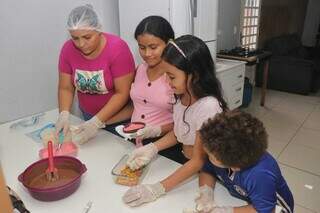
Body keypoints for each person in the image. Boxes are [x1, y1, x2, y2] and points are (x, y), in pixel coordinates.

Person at [122, 35, 228, 207]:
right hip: (184, 163)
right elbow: (181, 133)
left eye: (171, 77)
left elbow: (199, 160)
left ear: (194, 76)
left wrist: (157, 189)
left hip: (203, 171)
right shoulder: (181, 95)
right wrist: (153, 147)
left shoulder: (208, 107)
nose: (166, 81)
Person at [55, 4, 135, 144]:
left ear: (98, 30)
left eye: (87, 37)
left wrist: (97, 122)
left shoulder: (117, 49)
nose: (81, 44)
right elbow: (66, 88)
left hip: (118, 119)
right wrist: (64, 114)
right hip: (88, 115)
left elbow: (122, 93)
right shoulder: (68, 50)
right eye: (75, 38)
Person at [195, 111, 294, 213]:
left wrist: (226, 211)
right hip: (246, 199)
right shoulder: (221, 152)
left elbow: (263, 210)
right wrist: (206, 192)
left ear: (234, 167)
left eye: (210, 156)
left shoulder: (260, 175)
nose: (206, 155)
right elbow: (207, 171)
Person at [113, 15, 175, 142]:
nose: (147, 54)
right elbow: (136, 106)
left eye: (153, 47)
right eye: (142, 47)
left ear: (168, 44)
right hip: (135, 140)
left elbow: (185, 123)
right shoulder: (139, 70)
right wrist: (101, 122)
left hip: (163, 143)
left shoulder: (175, 76)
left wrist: (156, 130)